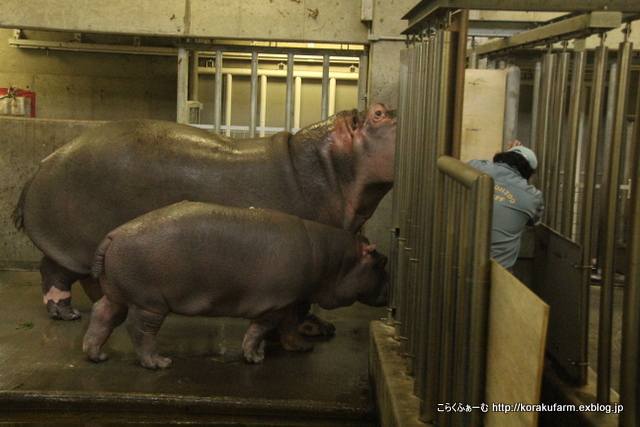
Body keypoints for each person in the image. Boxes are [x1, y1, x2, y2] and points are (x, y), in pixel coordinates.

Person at [468, 141, 544, 271]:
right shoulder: (532, 197)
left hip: (457, 260)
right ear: (528, 172)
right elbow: (533, 222)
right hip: (497, 272)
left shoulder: (474, 167)